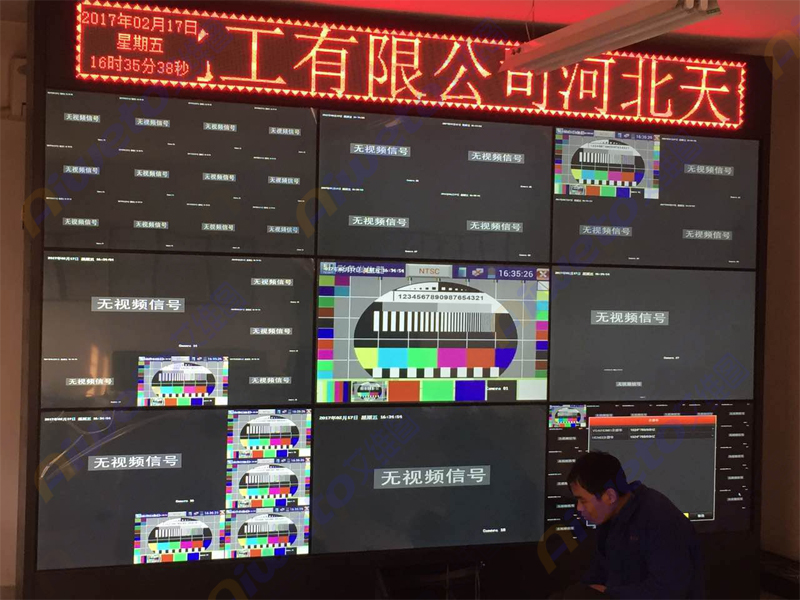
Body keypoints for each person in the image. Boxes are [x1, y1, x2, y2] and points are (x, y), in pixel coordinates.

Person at [557, 451, 704, 599]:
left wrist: (609, 593)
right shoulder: (610, 518)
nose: (578, 508)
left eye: (583, 500)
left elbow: (670, 590)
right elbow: (597, 574)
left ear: (610, 496)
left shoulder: (658, 518)